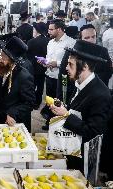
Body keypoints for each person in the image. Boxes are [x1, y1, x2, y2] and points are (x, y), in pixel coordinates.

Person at [49, 40, 112, 171]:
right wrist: (63, 107)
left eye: (70, 64)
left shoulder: (100, 94)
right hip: (72, 149)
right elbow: (78, 110)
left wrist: (66, 115)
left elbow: (93, 132)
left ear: (85, 67)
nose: (66, 68)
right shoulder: (79, 83)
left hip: (84, 160)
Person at [57, 24, 113, 104]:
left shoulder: (102, 51)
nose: (91, 40)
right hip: (72, 95)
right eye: (87, 38)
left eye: (93, 37)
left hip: (94, 96)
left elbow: (108, 73)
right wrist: (61, 98)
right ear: (80, 39)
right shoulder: (71, 52)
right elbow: (62, 75)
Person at [39, 19, 76, 130]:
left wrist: (57, 63)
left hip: (62, 78)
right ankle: (50, 122)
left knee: (61, 101)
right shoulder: (50, 42)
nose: (48, 31)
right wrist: (45, 62)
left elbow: (72, 61)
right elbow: (49, 58)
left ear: (59, 29)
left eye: (51, 29)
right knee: (50, 101)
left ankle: (60, 124)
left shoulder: (70, 42)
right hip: (49, 76)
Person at [0, 36, 35, 131]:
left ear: (12, 60)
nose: (0, 58)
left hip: (14, 123)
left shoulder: (24, 77)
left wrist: (13, 113)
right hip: (0, 119)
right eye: (1, 54)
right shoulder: (2, 68)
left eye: (4, 57)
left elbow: (29, 103)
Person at [27, 22, 50, 109]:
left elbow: (27, 54)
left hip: (32, 68)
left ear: (37, 30)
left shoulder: (31, 41)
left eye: (34, 30)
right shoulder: (48, 41)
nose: (33, 31)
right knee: (40, 87)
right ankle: (37, 103)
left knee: (31, 86)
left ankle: (30, 102)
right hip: (43, 68)